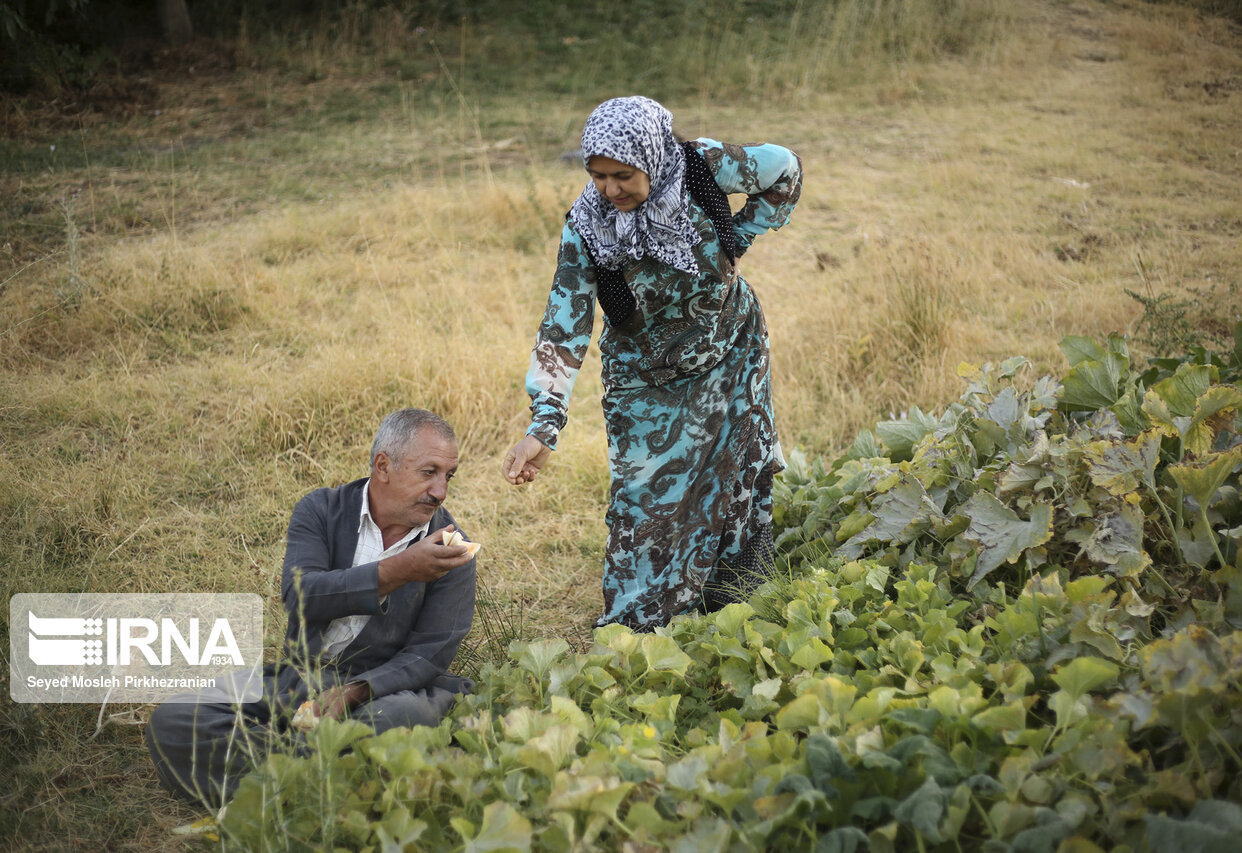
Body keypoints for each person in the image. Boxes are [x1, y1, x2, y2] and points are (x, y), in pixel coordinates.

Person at [503, 95, 802, 631]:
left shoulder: (701, 166)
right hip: (647, 380)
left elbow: (784, 169)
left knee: (740, 474)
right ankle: (637, 635)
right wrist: (543, 427)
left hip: (731, 350)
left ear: (653, 158)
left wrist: (740, 237)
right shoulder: (587, 227)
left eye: (623, 175)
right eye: (597, 176)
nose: (610, 189)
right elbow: (563, 326)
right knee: (646, 509)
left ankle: (735, 604)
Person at [146, 407, 477, 805]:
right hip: (298, 679)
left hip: (384, 692)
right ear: (383, 466)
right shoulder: (321, 510)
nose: (440, 491)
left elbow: (430, 654)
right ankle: (322, 786)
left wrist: (353, 691)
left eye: (448, 476)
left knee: (398, 722)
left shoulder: (452, 549)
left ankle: (276, 784)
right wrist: (397, 571)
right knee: (176, 719)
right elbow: (301, 596)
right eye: (429, 472)